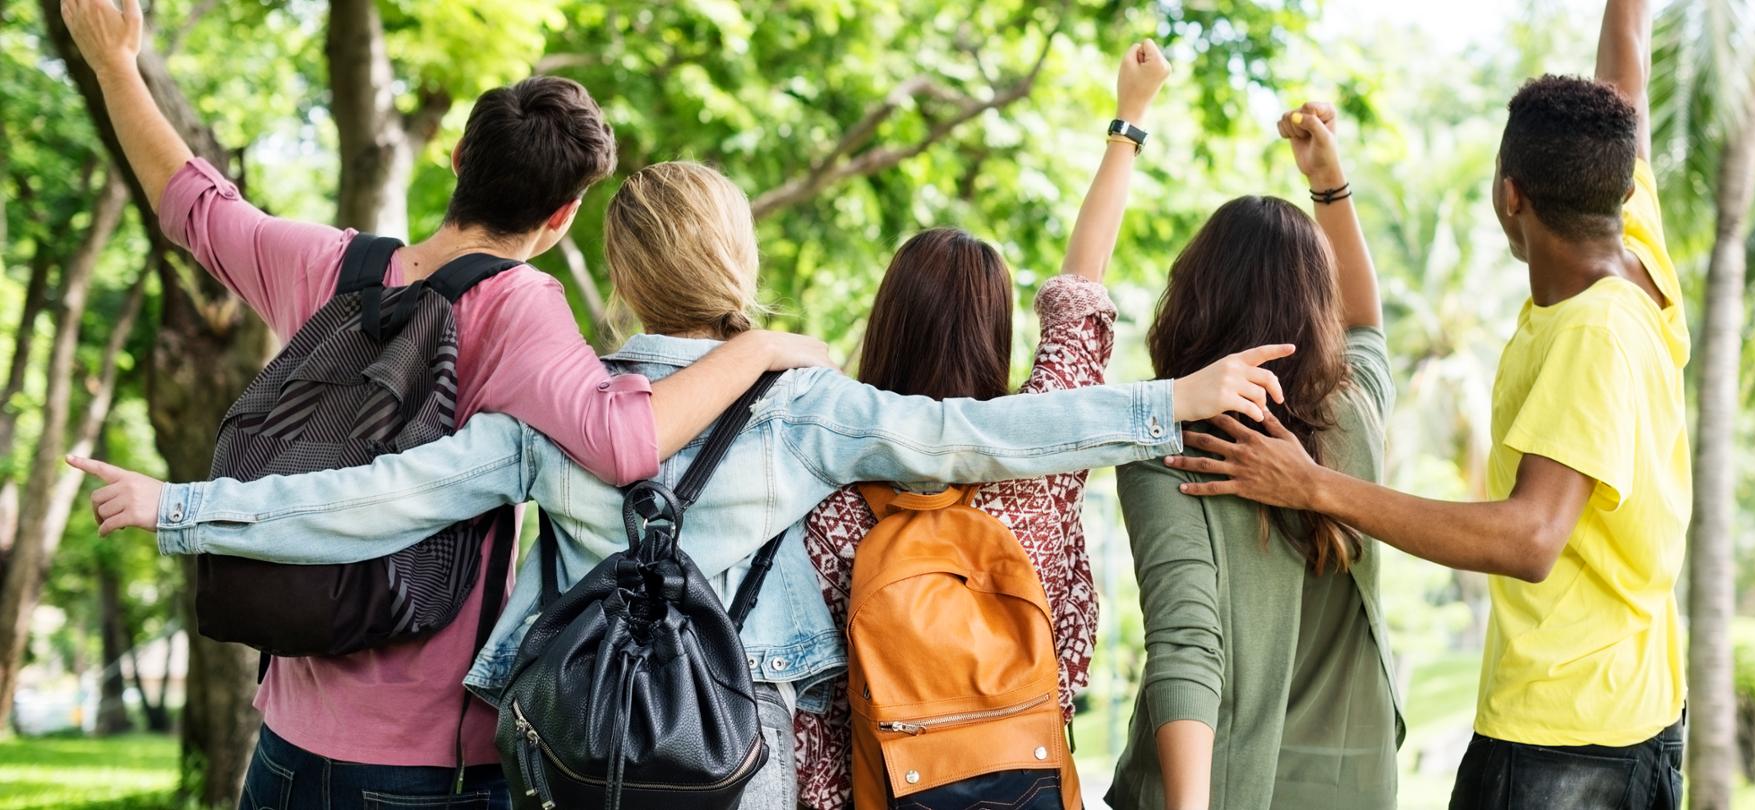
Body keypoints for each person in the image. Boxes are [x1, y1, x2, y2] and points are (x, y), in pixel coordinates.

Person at [71, 157, 1294, 808]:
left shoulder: (553, 410)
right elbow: (985, 437)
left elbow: (373, 499)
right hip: (741, 752)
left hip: (575, 750)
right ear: (739, 262)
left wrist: (180, 507)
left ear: (620, 274)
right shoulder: (803, 405)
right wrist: (1170, 402)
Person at [60, 0, 831, 805]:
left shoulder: (328, 266)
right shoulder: (519, 307)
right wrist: (759, 348)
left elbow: (193, 205)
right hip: (426, 762)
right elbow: (623, 440)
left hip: (285, 744)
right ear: (563, 214)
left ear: (459, 158)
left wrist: (117, 66)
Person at [1163, 0, 1690, 806]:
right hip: (1636, 708)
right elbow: (1627, 73)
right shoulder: (1633, 243)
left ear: (1510, 196)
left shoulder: (1592, 335)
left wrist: (1314, 485)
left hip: (1566, 741)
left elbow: (1531, 536)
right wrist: (1329, 184)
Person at [793, 41, 1170, 809]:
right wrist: (1128, 120)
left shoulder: (822, 482)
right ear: (994, 333)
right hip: (1025, 782)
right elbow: (1080, 292)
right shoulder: (1043, 455)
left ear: (888, 323)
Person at [1103, 100, 1400, 810]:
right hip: (1355, 785)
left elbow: (1186, 647)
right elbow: (1367, 324)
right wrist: (1329, 183)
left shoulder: (1168, 442)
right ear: (1317, 307)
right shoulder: (1354, 411)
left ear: (1193, 296)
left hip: (1219, 789)